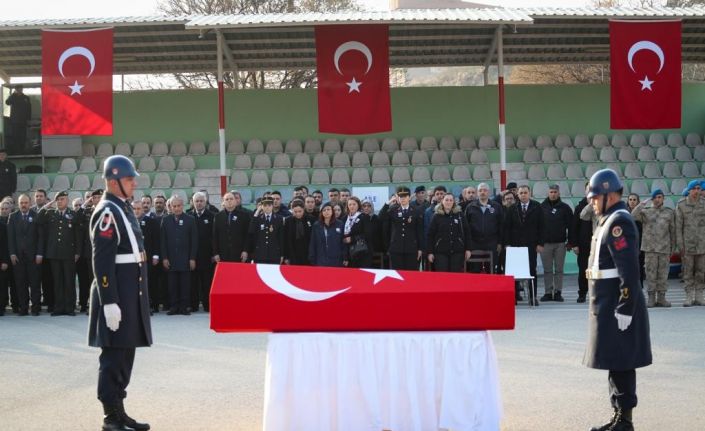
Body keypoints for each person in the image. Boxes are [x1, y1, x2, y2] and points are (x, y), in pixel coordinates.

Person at [87, 155, 152, 431]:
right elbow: (101, 260)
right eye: (128, 179)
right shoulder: (107, 212)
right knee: (113, 356)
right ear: (113, 182)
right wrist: (109, 302)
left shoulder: (121, 207)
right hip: (116, 294)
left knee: (125, 354)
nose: (134, 182)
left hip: (129, 291)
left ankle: (120, 410)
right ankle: (110, 415)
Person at [584, 169, 651, 431]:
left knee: (622, 362)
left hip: (617, 303)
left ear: (609, 195)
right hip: (606, 300)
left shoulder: (618, 222)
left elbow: (629, 270)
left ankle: (625, 420)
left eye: (595, 197)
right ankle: (618, 416)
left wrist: (625, 306)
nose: (592, 201)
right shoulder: (609, 219)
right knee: (614, 360)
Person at [37, 190, 81, 316]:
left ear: (67, 201)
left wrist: (77, 251)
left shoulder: (73, 214)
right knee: (57, 281)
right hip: (54, 253)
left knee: (69, 281)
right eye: (58, 199)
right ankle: (59, 307)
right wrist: (46, 206)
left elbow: (77, 234)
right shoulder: (50, 214)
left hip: (69, 253)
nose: (60, 201)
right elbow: (37, 220)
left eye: (62, 199)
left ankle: (69, 307)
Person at [631, 189, 676, 308]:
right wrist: (641, 205)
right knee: (650, 274)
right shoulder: (646, 212)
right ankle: (651, 298)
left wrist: (673, 247)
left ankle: (661, 298)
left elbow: (672, 231)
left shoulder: (669, 213)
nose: (658, 199)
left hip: (664, 248)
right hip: (650, 248)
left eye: (660, 197)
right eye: (655, 197)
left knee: (663, 274)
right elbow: (632, 216)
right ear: (652, 199)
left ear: (663, 199)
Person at [503, 185, 544, 305]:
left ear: (529, 193)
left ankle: (532, 297)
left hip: (531, 245)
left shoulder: (537, 207)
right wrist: (507, 244)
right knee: (514, 272)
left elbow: (542, 226)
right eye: (521, 193)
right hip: (515, 245)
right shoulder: (512, 208)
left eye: (525, 192)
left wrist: (540, 243)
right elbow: (507, 228)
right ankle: (515, 297)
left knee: (532, 270)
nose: (523, 195)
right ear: (518, 195)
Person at [160, 196, 197, 315]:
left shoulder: (190, 219)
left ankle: (184, 307)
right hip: (170, 259)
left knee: (185, 284)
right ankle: (174, 307)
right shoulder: (165, 220)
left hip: (185, 258)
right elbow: (163, 241)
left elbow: (194, 241)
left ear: (183, 205)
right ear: (170, 207)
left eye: (179, 206)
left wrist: (192, 258)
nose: (177, 208)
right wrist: (164, 257)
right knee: (172, 285)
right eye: (174, 206)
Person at [7, 194, 42, 315]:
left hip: (33, 257)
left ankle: (36, 308)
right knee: (20, 284)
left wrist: (39, 254)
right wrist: (11, 253)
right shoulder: (12, 217)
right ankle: (23, 308)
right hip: (18, 257)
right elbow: (10, 237)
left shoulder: (36, 216)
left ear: (30, 203)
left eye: (26, 202)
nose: (23, 205)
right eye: (21, 202)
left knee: (35, 283)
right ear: (18, 203)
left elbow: (40, 237)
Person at [539, 184, 573, 302]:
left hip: (560, 244)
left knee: (559, 269)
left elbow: (571, 226)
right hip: (545, 244)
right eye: (551, 192)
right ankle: (548, 292)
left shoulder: (565, 208)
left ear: (559, 193)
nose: (553, 194)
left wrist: (570, 242)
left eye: (555, 192)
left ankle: (558, 292)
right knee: (547, 270)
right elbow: (537, 227)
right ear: (548, 193)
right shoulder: (541, 207)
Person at [675, 179, 705, 307]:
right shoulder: (681, 205)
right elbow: (678, 226)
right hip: (688, 244)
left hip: (702, 244)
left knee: (701, 271)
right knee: (688, 271)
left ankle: (699, 296)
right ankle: (688, 296)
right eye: (694, 189)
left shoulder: (704, 204)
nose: (697, 191)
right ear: (689, 190)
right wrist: (680, 245)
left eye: (699, 189)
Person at [379, 186, 423, 270]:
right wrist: (389, 202)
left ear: (409, 197)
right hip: (396, 248)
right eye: (400, 197)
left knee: (411, 275)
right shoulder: (393, 210)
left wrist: (420, 248)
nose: (402, 199)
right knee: (397, 275)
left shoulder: (416, 211)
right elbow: (380, 217)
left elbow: (419, 231)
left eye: (405, 196)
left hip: (412, 248)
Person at [427, 193, 472, 272]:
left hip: (457, 251)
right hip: (440, 252)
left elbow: (467, 232)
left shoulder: (460, 215)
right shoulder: (436, 216)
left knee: (455, 277)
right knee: (442, 277)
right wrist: (430, 252)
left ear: (454, 202)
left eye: (451, 200)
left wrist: (468, 249)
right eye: (446, 200)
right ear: (442, 201)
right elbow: (430, 235)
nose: (448, 202)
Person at [76, 189, 103, 313]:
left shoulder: (107, 211)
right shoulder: (87, 211)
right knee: (89, 280)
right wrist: (84, 204)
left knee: (102, 280)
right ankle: (91, 305)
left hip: (103, 251)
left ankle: (102, 304)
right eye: (95, 197)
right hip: (89, 252)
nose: (97, 200)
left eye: (99, 197)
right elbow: (75, 218)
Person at [465, 182, 503, 274]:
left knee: (491, 270)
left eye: (485, 190)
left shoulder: (496, 206)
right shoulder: (470, 207)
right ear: (477, 193)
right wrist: (467, 245)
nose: (482, 192)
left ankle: (491, 288)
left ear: (488, 192)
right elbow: (465, 227)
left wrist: (499, 243)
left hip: (492, 243)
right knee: (475, 270)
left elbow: (501, 226)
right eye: (480, 190)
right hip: (475, 243)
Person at [187, 192, 215, 312]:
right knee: (193, 282)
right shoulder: (188, 216)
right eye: (196, 201)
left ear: (205, 202)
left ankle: (207, 306)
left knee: (206, 282)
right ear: (193, 202)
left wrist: (214, 253)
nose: (199, 203)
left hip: (207, 255)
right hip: (192, 255)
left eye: (201, 201)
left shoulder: (213, 216)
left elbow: (214, 237)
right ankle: (193, 306)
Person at [133, 201, 161, 314]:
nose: (136, 211)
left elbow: (156, 240)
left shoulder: (151, 222)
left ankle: (151, 305)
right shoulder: (128, 222)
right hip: (133, 258)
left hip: (148, 257)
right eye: (134, 208)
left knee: (150, 282)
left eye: (138, 208)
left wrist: (156, 255)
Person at [570, 182, 593, 303]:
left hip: (598, 246)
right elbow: (574, 227)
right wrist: (574, 244)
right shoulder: (580, 207)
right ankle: (582, 293)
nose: (590, 192)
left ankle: (597, 294)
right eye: (588, 189)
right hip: (583, 245)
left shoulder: (601, 205)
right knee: (583, 270)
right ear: (585, 191)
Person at [213, 192, 251, 263]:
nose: (229, 201)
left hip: (239, 254)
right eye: (226, 199)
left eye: (231, 199)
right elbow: (215, 236)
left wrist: (245, 251)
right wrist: (215, 253)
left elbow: (247, 235)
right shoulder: (218, 216)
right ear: (223, 202)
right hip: (223, 255)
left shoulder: (244, 216)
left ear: (235, 201)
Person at [32, 188, 54, 312]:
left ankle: (50, 302)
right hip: (33, 251)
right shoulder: (31, 211)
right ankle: (37, 303)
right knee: (35, 279)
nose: (39, 198)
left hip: (47, 250)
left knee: (48, 278)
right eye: (37, 196)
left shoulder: (50, 211)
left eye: (41, 196)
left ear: (45, 198)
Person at [248, 197, 285, 264]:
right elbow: (251, 230)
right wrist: (257, 212)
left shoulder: (279, 219)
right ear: (261, 206)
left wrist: (282, 254)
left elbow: (281, 238)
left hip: (274, 254)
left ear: (272, 206)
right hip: (260, 254)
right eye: (265, 205)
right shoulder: (258, 218)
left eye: (269, 205)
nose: (267, 207)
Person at [308, 202, 346, 267]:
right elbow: (313, 242)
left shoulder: (340, 224)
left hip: (337, 259)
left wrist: (345, 257)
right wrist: (312, 257)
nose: (326, 211)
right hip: (321, 259)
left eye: (328, 209)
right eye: (324, 210)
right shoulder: (316, 225)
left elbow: (343, 242)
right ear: (321, 213)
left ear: (332, 211)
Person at [343, 196, 373, 268]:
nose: (352, 206)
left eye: (354, 204)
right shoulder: (344, 218)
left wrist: (352, 239)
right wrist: (345, 257)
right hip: (349, 253)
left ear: (358, 205)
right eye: (350, 204)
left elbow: (368, 234)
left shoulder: (364, 217)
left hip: (362, 252)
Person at [283, 200, 314, 265]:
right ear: (292, 210)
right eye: (295, 212)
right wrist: (286, 257)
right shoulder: (288, 221)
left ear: (304, 209)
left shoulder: (311, 219)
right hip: (293, 253)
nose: (298, 214)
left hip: (307, 253)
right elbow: (285, 240)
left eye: (300, 211)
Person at [5, 85, 32, 155]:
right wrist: (13, 94)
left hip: (23, 121)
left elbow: (29, 109)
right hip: (14, 121)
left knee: (23, 136)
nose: (20, 90)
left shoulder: (26, 98)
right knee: (15, 136)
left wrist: (29, 119)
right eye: (19, 89)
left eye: (21, 88)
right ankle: (16, 152)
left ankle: (22, 151)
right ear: (16, 89)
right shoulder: (13, 97)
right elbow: (7, 102)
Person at [626, 193, 646, 283]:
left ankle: (639, 286)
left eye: (634, 200)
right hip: (627, 244)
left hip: (639, 243)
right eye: (630, 199)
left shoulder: (642, 213)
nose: (632, 202)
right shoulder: (624, 212)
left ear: (638, 201)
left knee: (639, 266)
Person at [0, 204, 9, 316]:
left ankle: (1, 307)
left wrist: (5, 261)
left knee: (1, 286)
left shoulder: (2, 226)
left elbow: (5, 246)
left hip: (1, 261)